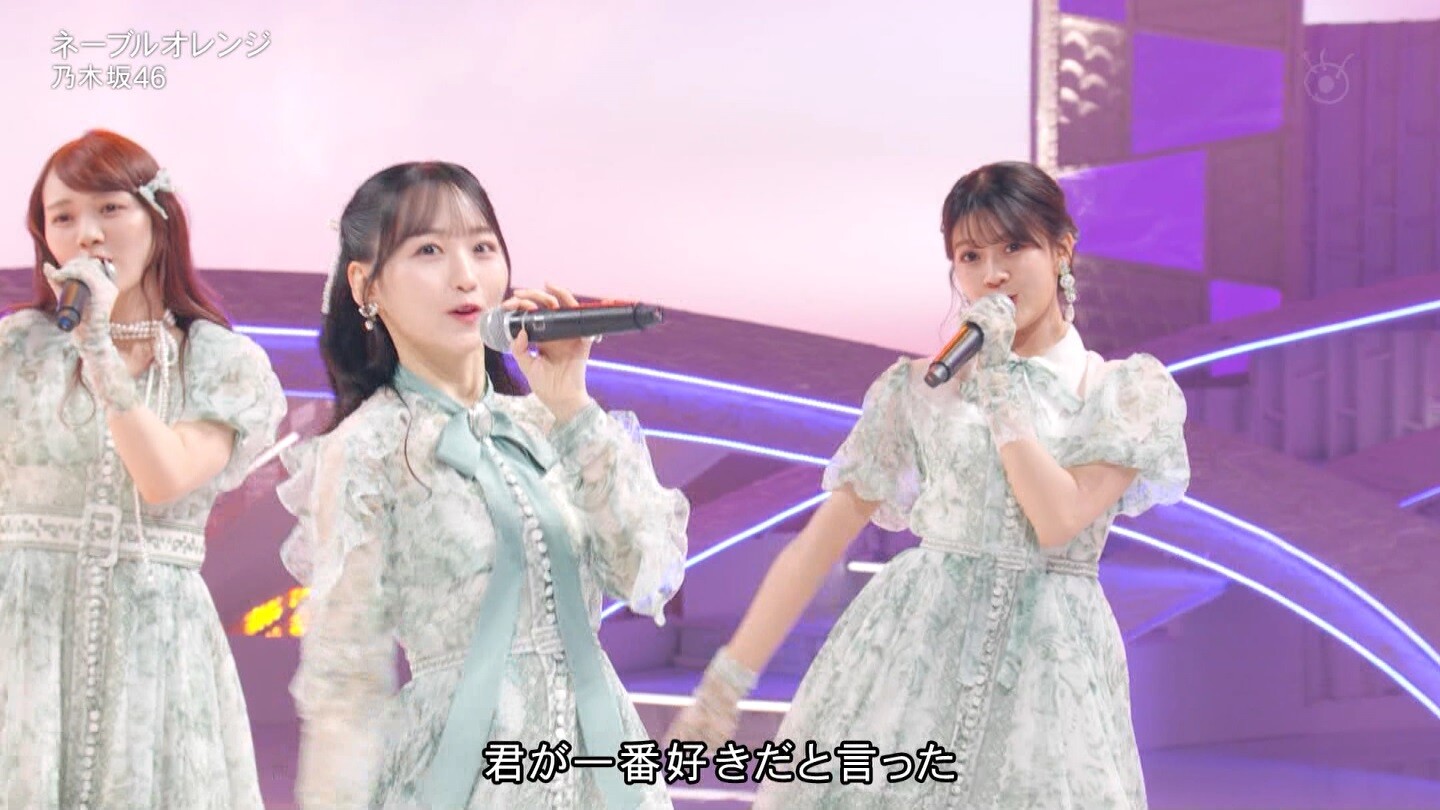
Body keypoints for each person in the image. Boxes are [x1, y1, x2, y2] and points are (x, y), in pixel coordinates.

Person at [666, 161, 1191, 808]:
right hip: (913, 661)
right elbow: (816, 545)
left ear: (1062, 250)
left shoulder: (1122, 390)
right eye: (970, 256)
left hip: (1050, 676)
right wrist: (723, 688)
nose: (992, 274)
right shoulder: (917, 388)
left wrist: (999, 388)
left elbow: (1058, 518)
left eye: (1014, 247)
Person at [278, 161, 689, 809]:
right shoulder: (367, 449)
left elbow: (644, 572)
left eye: (482, 247)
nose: (465, 275)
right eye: (428, 250)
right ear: (365, 284)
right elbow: (345, 682)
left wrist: (572, 406)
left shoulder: (549, 422)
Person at [0, 129, 286, 809]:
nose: (87, 234)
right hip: (22, 640)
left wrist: (98, 350)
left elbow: (164, 477)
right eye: (62, 217)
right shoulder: (16, 351)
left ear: (159, 221)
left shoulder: (220, 363)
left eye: (110, 209)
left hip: (155, 651)